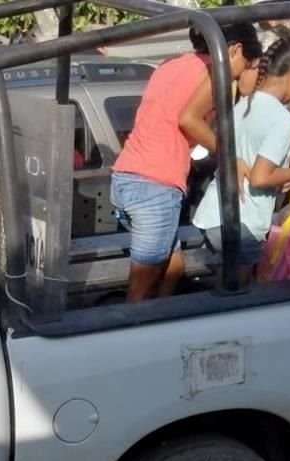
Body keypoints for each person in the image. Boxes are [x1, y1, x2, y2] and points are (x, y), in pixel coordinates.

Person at [111, 23, 262, 302]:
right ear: (235, 49)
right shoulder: (215, 72)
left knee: (173, 267)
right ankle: (132, 335)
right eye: (248, 63)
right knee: (140, 288)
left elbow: (166, 118)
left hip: (127, 174)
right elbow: (188, 119)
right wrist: (230, 156)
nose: (244, 71)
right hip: (154, 184)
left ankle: (163, 318)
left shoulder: (173, 64)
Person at [191, 36, 290, 283]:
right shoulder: (282, 119)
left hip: (212, 215)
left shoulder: (241, 106)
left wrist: (280, 176)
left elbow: (247, 161)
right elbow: (260, 177)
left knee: (224, 294)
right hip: (243, 223)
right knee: (241, 299)